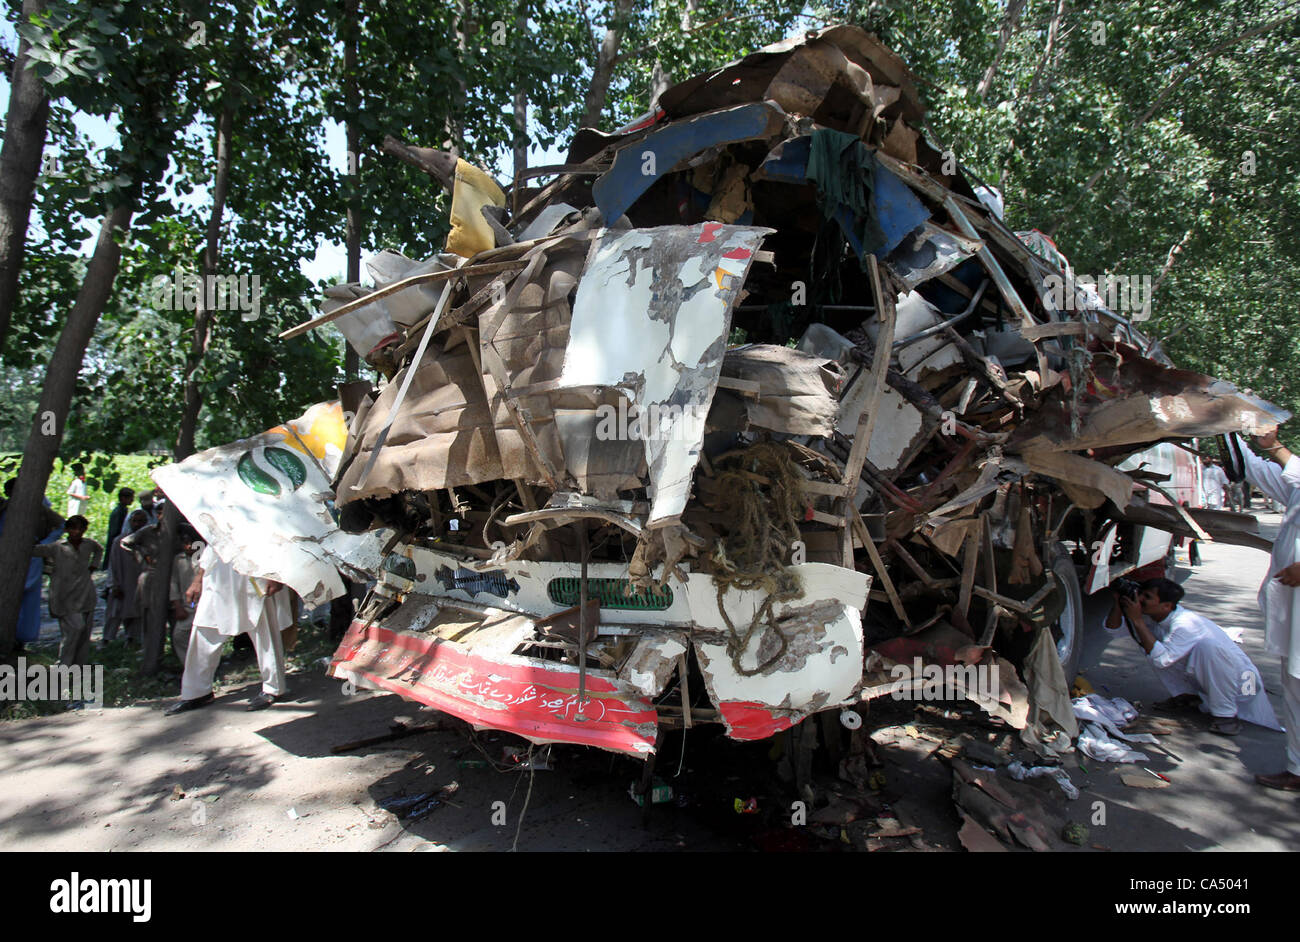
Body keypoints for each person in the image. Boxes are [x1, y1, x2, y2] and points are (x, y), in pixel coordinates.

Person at [1109, 577, 1280, 736]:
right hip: (1228, 682)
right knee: (1152, 645)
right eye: (1141, 594)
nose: (1141, 600)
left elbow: (1161, 660)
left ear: (1166, 606)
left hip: (1245, 685)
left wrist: (1137, 621)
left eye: (1147, 596)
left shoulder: (1186, 624)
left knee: (1206, 648)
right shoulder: (1153, 616)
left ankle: (1226, 717)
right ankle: (1189, 698)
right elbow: (1112, 629)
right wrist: (1118, 604)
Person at [1237, 428, 1300, 790]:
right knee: (1293, 688)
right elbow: (1260, 471)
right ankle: (1297, 768)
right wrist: (1228, 432)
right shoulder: (1295, 489)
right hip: (1292, 613)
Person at [164, 543, 293, 715]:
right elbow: (213, 541)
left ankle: (273, 688)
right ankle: (197, 692)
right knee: (204, 629)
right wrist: (198, 579)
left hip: (254, 569)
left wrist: (275, 576)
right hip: (218, 574)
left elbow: (273, 536)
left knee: (263, 631)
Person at [31, 515, 103, 667]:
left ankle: (79, 664)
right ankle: (64, 664)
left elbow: (99, 550)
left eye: (81, 528)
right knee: (74, 629)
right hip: (64, 595)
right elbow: (35, 551)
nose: (77, 532)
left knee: (84, 633)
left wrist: (93, 566)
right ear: (67, 530)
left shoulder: (88, 544)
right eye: (73, 528)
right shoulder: (57, 547)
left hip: (84, 593)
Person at [1, 478, 63, 652]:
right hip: (5, 554)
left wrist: (43, 544)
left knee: (28, 597)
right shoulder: (3, 509)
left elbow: (61, 525)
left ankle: (22, 638)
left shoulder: (38, 509)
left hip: (30, 555)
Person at [103, 487, 135, 569]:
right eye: (131, 497)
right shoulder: (119, 512)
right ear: (123, 498)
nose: (132, 500)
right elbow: (116, 530)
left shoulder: (122, 510)